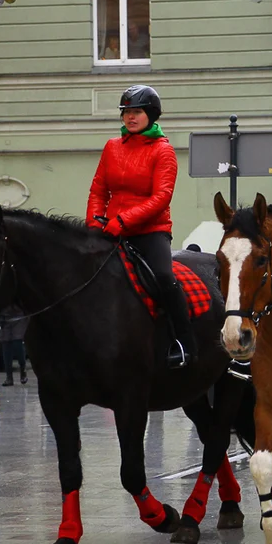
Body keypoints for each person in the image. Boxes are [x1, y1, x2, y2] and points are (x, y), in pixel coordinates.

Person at [87, 84, 195, 369]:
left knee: (164, 278)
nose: (130, 118)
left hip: (150, 231)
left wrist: (123, 221)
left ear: (151, 114)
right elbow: (98, 190)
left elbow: (161, 198)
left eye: (136, 112)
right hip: (109, 230)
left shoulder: (163, 151)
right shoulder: (112, 148)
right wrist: (94, 223)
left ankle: (183, 342)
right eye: (126, 113)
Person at [0, 304, 28, 387]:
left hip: (19, 316)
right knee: (6, 346)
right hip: (3, 318)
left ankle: (23, 369)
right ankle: (9, 377)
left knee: (17, 343)